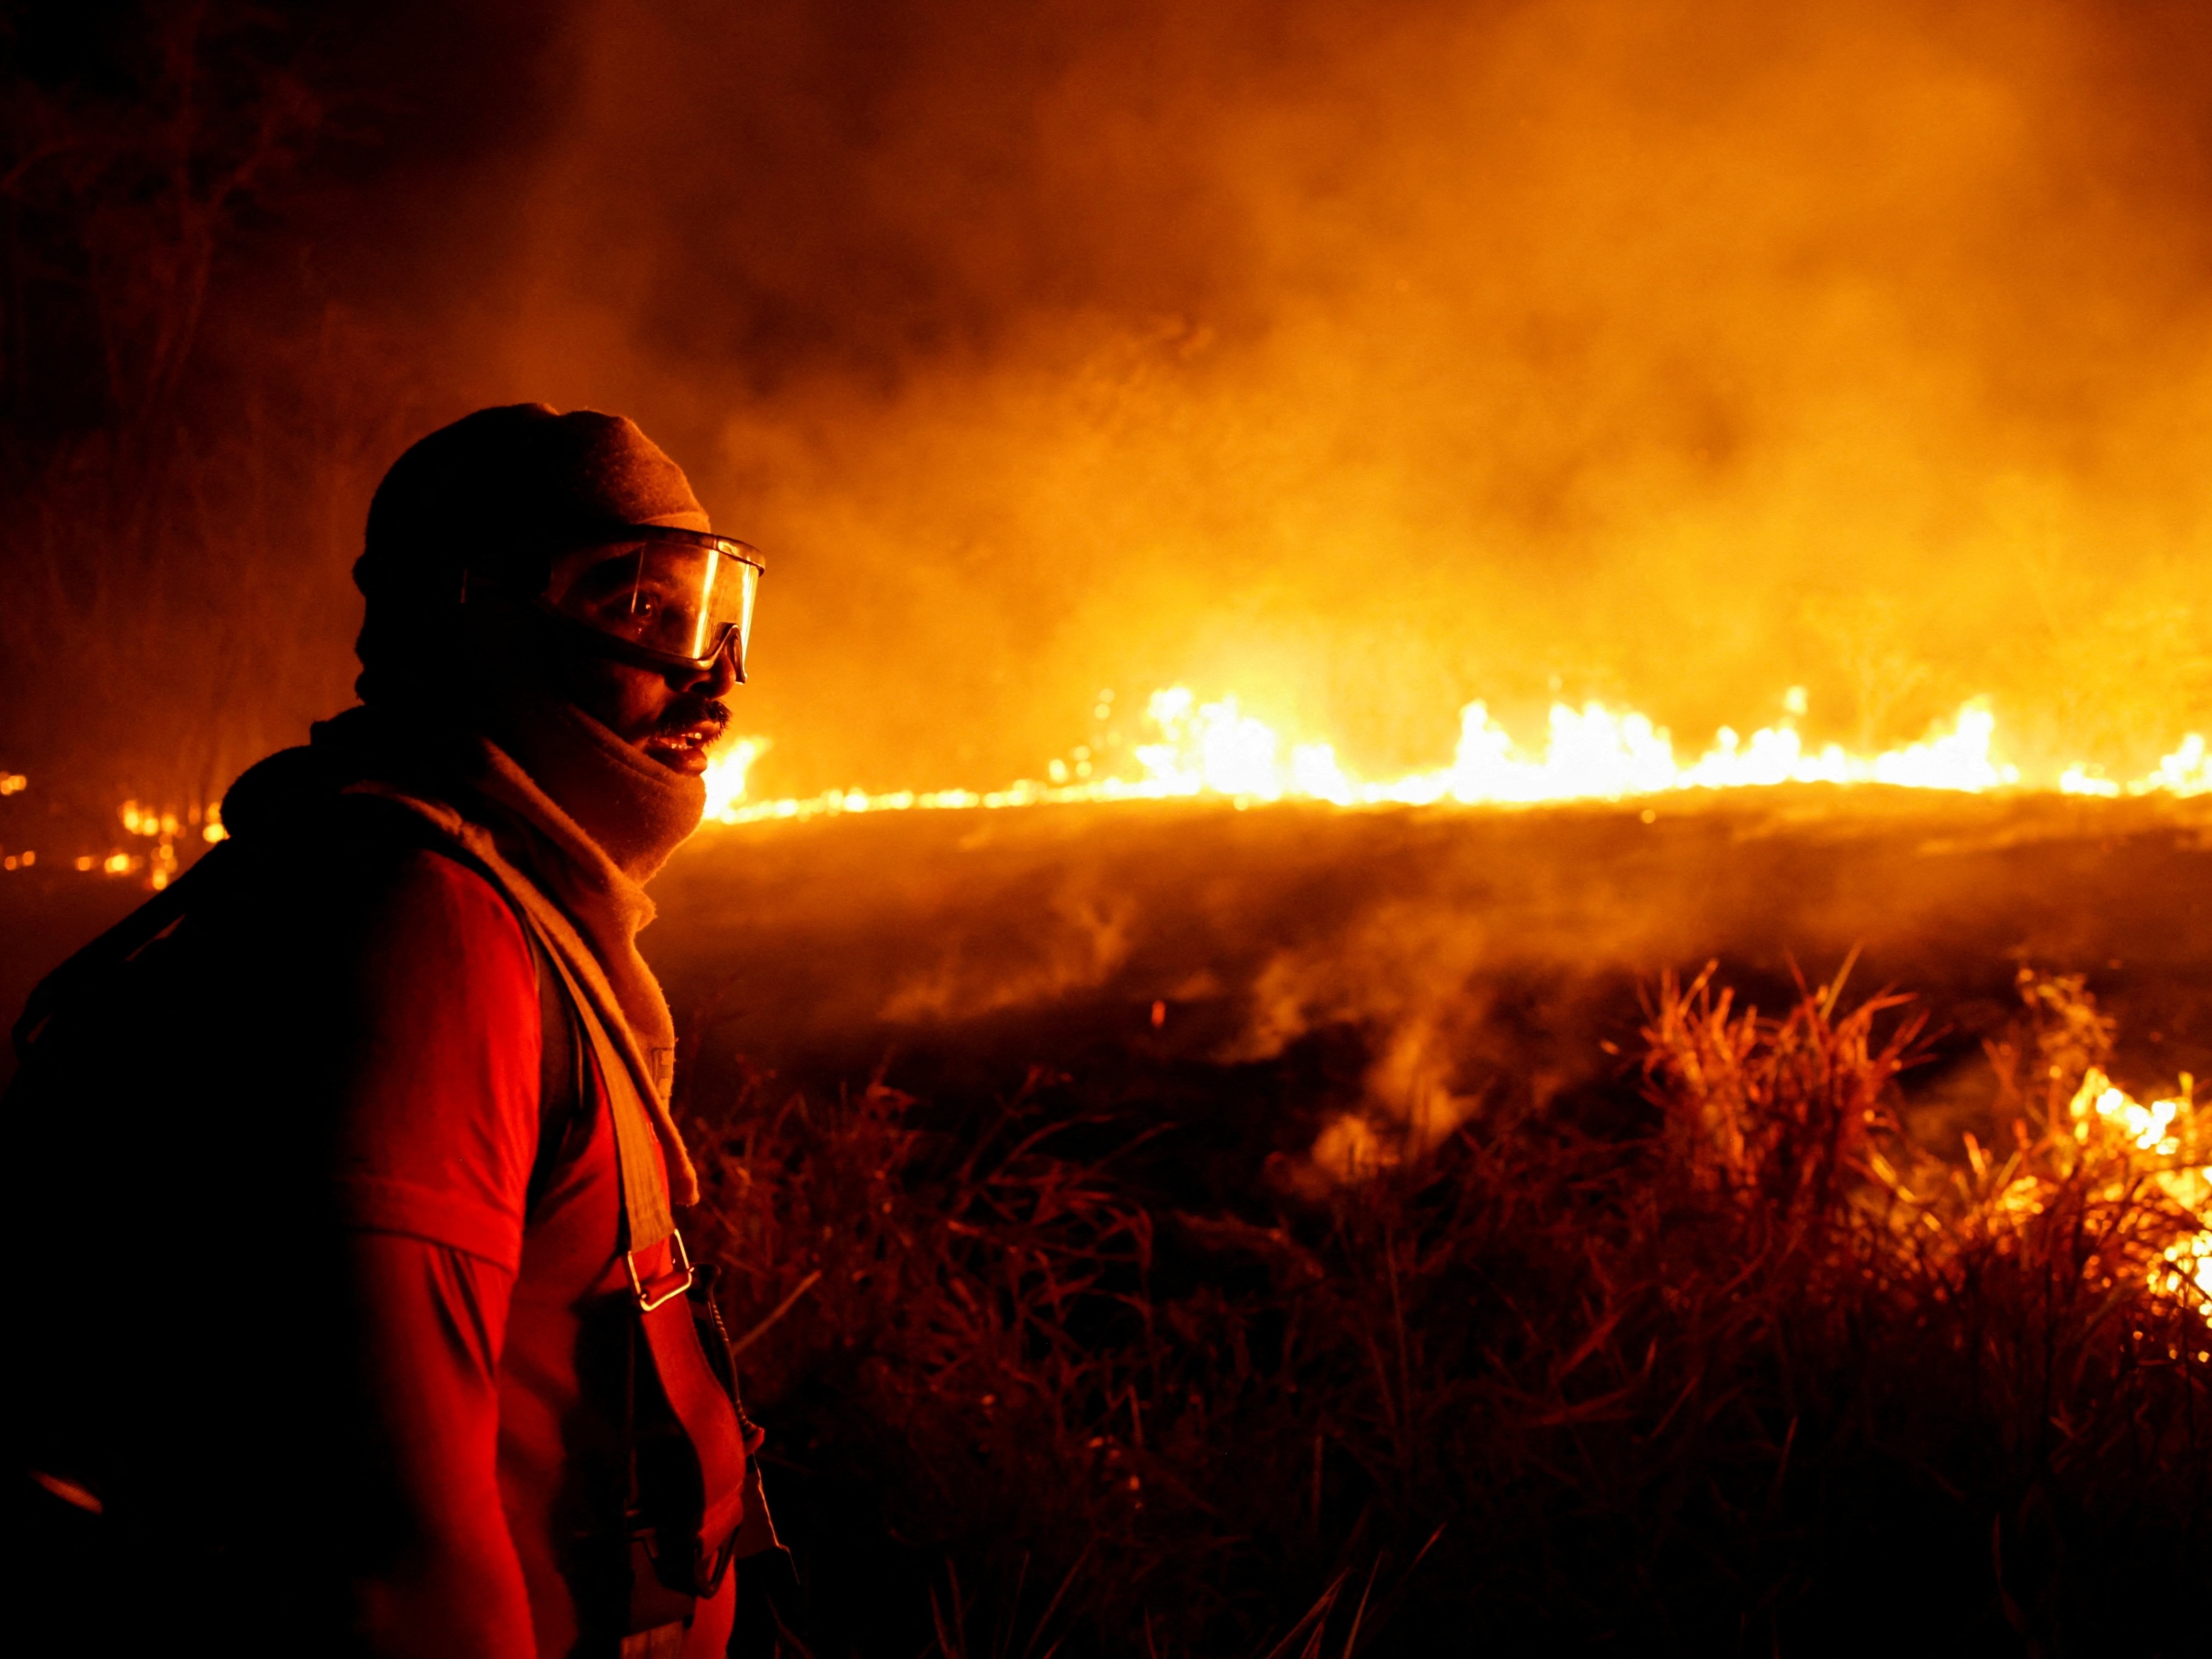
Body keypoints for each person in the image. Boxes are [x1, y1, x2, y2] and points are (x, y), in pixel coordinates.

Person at [10, 405, 775, 1657]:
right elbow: (390, 1553)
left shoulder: (507, 904)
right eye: (640, 605)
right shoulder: (424, 928)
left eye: (720, 611)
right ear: (472, 611)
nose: (714, 671)